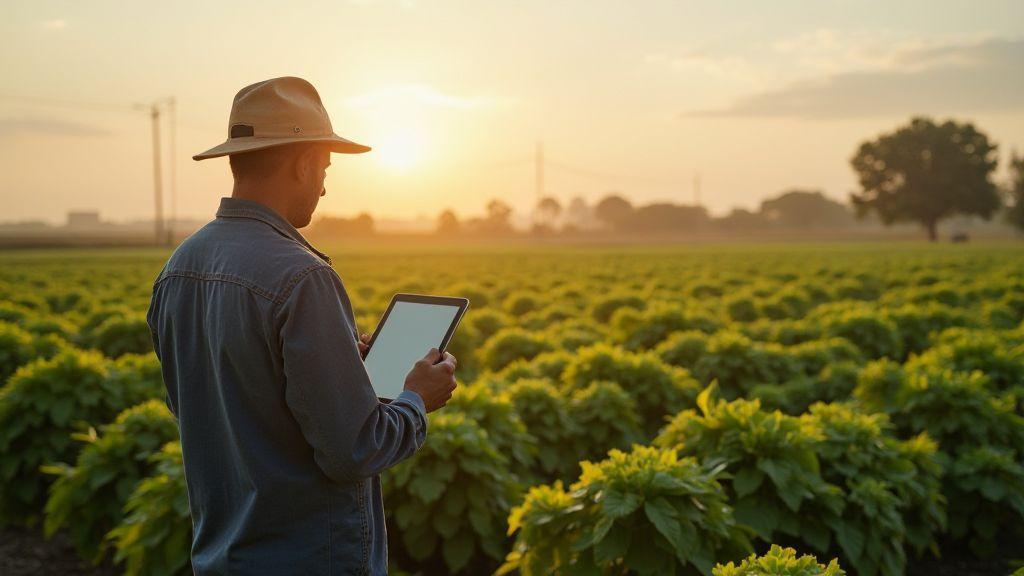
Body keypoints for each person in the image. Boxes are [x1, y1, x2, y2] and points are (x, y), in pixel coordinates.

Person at [146, 76, 458, 575]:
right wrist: (417, 398)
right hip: (309, 558)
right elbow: (355, 450)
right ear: (303, 163)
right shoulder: (303, 276)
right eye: (325, 169)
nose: (325, 186)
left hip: (222, 555)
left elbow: (224, 409)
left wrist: (341, 371)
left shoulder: (179, 267)